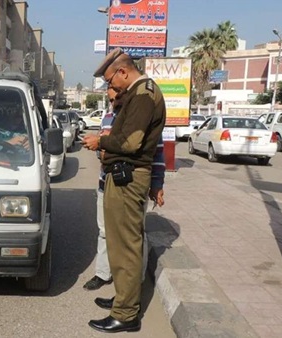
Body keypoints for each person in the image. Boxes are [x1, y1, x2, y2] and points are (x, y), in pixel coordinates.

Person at [81, 49, 166, 333]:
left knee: (126, 247)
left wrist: (101, 142)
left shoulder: (143, 94)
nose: (111, 87)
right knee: (118, 246)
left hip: (128, 180)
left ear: (123, 71)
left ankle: (127, 314)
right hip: (123, 178)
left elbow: (130, 143)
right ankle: (124, 299)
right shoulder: (137, 93)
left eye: (111, 80)